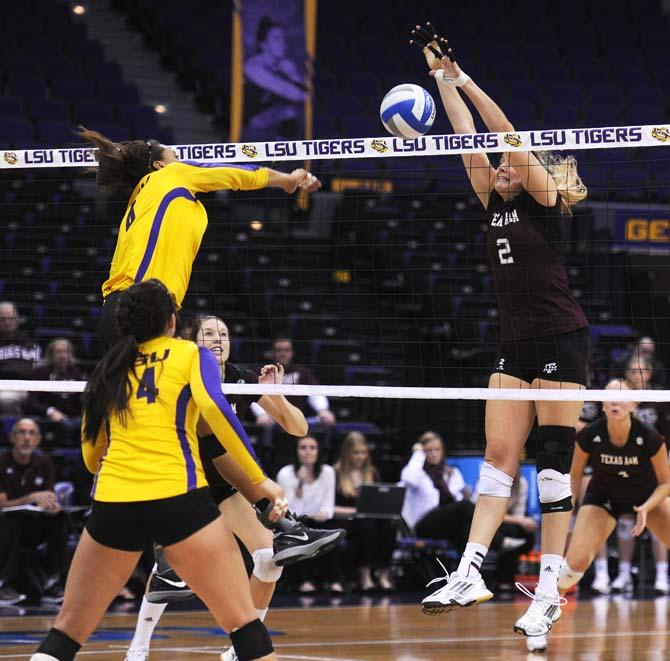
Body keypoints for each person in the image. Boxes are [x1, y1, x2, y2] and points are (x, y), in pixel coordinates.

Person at [411, 26, 589, 637]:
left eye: (512, 163)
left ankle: (546, 591)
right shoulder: (494, 200)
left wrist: (466, 79)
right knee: (496, 459)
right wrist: (440, 76)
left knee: (553, 472)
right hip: (515, 345)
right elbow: (469, 138)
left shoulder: (542, 198)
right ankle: (470, 569)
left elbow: (506, 136)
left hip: (563, 339)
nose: (501, 168)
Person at [30, 280, 281, 661]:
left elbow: (91, 458)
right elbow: (217, 411)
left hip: (114, 502)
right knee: (246, 628)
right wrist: (259, 481)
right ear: (171, 320)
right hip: (179, 498)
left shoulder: (107, 368)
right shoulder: (189, 355)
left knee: (66, 633)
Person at [126, 316, 343, 661]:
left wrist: (277, 395)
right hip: (187, 483)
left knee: (271, 559)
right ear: (190, 340)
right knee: (172, 568)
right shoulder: (181, 373)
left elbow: (299, 428)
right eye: (208, 334)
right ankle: (138, 648)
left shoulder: (239, 378)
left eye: (223, 334)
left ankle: (240, 650)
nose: (217, 340)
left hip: (228, 487)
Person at [75, 127, 320, 349]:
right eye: (174, 155)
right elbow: (235, 174)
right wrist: (287, 181)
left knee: (131, 397)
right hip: (143, 308)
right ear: (160, 165)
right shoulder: (171, 175)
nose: (180, 160)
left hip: (115, 311)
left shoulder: (138, 203)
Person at [527, 379, 670, 654]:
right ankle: (540, 620)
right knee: (574, 565)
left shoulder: (651, 438)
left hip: (646, 499)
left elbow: (666, 484)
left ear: (635, 404)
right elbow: (573, 479)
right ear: (602, 403)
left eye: (622, 397)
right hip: (602, 500)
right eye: (610, 397)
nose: (615, 401)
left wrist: (646, 508)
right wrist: (569, 519)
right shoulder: (589, 436)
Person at [0, 418, 69, 604]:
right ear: (12, 437)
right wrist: (30, 498)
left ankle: (52, 581)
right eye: (21, 432)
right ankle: (5, 584)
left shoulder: (44, 462)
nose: (26, 438)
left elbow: (48, 495)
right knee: (11, 522)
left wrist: (52, 505)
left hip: (33, 525)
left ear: (38, 439)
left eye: (32, 433)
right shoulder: (2, 461)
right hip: (5, 524)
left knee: (60, 520)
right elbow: (2, 505)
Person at [277, 435, 340, 593]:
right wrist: (300, 483)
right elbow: (288, 510)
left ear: (318, 451)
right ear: (296, 452)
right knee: (301, 532)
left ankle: (334, 580)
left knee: (331, 531)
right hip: (295, 521)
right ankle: (304, 581)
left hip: (320, 519)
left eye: (312, 448)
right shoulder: (285, 474)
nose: (308, 452)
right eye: (303, 448)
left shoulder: (328, 472)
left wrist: (323, 514)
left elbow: (328, 505)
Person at [334, 432, 396, 592]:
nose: (360, 457)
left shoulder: (372, 472)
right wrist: (355, 511)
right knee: (367, 527)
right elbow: (329, 506)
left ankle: (383, 575)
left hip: (368, 517)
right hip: (346, 519)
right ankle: (365, 576)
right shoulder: (336, 472)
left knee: (389, 527)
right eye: (356, 453)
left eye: (363, 453)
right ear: (347, 453)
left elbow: (378, 501)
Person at [400, 431, 474, 553]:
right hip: (424, 524)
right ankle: (499, 539)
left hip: (446, 522)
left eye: (437, 450)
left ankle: (464, 569)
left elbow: (458, 499)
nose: (434, 454)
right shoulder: (418, 472)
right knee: (465, 506)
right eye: (429, 450)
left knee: (466, 527)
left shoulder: (451, 472)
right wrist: (418, 454)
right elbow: (409, 479)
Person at [243, 16, 306, 141]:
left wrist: (293, 74)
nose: (283, 44)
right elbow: (295, 94)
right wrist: (293, 76)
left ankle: (281, 148)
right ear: (263, 45)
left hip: (269, 117)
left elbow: (302, 91)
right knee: (291, 111)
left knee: (294, 113)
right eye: (277, 39)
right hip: (245, 120)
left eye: (284, 39)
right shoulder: (253, 66)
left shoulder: (282, 65)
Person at [252, 337, 336, 428]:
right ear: (272, 353)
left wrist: (323, 410)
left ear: (292, 353)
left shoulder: (302, 372)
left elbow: (314, 392)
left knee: (324, 420)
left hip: (298, 421)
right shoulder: (264, 372)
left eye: (287, 350)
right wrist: (261, 414)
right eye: (279, 350)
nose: (283, 353)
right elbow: (255, 395)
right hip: (272, 422)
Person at [27, 338, 85, 424]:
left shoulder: (77, 373)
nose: (62, 356)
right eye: (58, 352)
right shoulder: (40, 372)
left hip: (72, 417)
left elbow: (81, 401)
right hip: (45, 416)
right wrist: (50, 411)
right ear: (51, 355)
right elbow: (32, 401)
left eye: (66, 352)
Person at [0, 301, 42, 414]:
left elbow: (38, 366)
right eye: (3, 319)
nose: (7, 322)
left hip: (29, 386)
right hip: (5, 387)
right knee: (6, 399)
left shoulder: (30, 342)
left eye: (11, 318)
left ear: (17, 320)